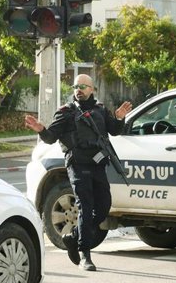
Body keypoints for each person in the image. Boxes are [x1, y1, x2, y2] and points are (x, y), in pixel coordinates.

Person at [24, 74, 132, 271]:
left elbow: (114, 131)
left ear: (92, 89)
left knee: (103, 207)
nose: (78, 89)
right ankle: (85, 254)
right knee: (85, 206)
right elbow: (50, 137)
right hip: (78, 165)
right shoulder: (66, 112)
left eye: (83, 86)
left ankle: (72, 237)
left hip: (97, 164)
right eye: (76, 86)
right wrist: (40, 128)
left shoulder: (100, 110)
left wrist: (118, 117)